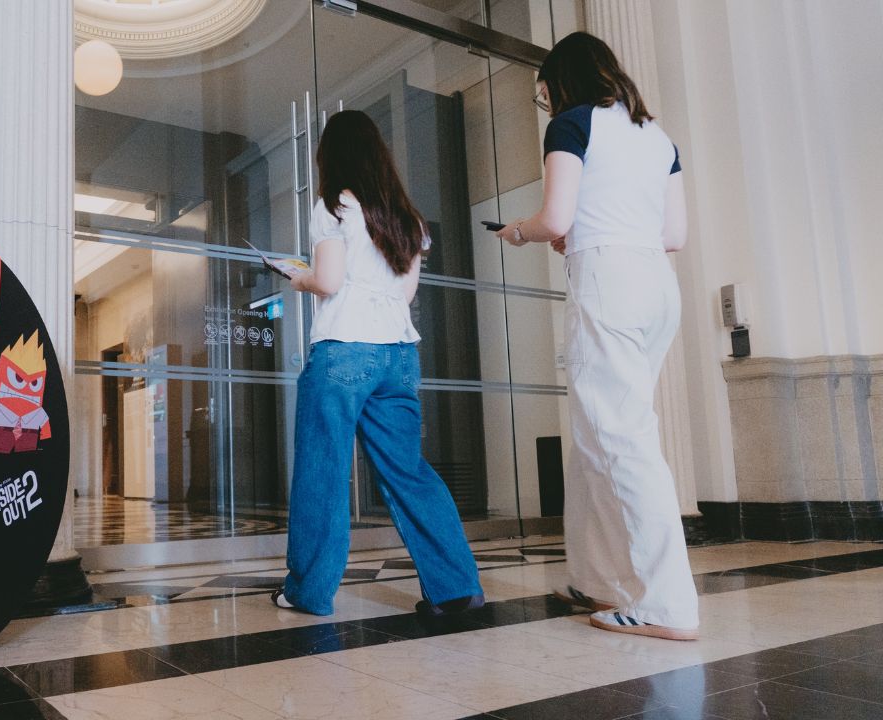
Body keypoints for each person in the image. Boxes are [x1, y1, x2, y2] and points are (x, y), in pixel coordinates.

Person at [495, 32, 698, 640]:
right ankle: (594, 577)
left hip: (608, 281)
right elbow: (674, 234)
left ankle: (667, 603)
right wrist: (579, 230)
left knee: (620, 439)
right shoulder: (657, 137)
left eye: (545, 92)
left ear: (563, 82)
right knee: (595, 436)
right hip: (656, 285)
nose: (546, 102)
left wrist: (523, 232)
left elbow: (556, 218)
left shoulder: (572, 124)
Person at [273, 110, 483, 619]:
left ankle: (309, 591)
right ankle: (457, 588)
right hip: (399, 355)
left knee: (322, 471)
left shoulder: (333, 205)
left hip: (344, 348)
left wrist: (293, 275)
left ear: (332, 156)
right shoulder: (407, 217)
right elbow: (405, 293)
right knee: (409, 471)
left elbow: (327, 282)